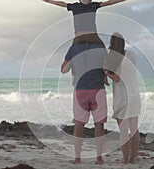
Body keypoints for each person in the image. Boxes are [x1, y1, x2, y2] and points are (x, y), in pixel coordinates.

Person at [43, 0, 126, 165]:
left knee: (84, 124)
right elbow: (59, 3)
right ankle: (91, 157)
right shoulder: (75, 7)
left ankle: (85, 157)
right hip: (95, 85)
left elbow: (109, 3)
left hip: (82, 84)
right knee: (93, 125)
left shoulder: (93, 6)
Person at [105, 32, 141, 164]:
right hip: (134, 96)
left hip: (123, 99)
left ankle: (125, 159)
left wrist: (106, 72)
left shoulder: (115, 57)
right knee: (134, 129)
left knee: (124, 132)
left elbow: (117, 78)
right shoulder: (131, 55)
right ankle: (133, 157)